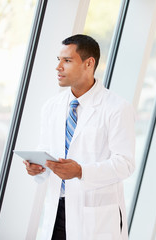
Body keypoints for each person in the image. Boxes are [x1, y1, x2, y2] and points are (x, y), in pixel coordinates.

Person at [23, 34, 135, 240]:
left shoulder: (117, 108)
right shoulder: (52, 107)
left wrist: (81, 171)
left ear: (89, 63)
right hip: (58, 210)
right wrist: (37, 167)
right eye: (59, 60)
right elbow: (46, 150)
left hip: (96, 215)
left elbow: (125, 164)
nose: (58, 67)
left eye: (67, 61)